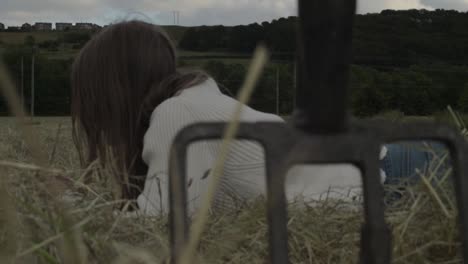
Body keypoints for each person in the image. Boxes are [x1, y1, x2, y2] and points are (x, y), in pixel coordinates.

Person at [71, 20, 371, 216]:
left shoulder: (179, 113)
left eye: (94, 98)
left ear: (116, 93)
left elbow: (162, 224)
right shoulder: (191, 103)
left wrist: (69, 207)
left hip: (386, 178)